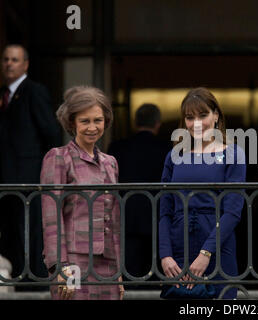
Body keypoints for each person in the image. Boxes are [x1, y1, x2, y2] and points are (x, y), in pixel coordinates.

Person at [159, 87, 246, 299]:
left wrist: (206, 253)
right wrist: (165, 255)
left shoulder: (233, 154)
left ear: (216, 116)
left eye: (203, 115)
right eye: (189, 117)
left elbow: (233, 212)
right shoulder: (174, 155)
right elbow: (164, 212)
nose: (196, 123)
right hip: (179, 245)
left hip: (217, 244)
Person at [40, 86, 124, 300]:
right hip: (73, 261)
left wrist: (119, 272)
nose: (92, 127)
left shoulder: (110, 162)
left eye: (98, 120)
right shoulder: (59, 157)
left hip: (108, 263)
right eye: (85, 121)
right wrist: (60, 266)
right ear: (72, 123)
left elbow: (114, 219)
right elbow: (51, 218)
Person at [0, 44, 60, 288]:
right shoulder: (3, 95)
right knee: (11, 234)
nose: (9, 64)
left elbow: (51, 133)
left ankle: (33, 285)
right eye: (5, 59)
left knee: (30, 233)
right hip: (7, 180)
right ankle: (16, 280)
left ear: (25, 64)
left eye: (14, 60)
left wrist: (45, 172)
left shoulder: (35, 91)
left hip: (29, 179)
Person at [108, 103, 170, 288]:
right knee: (158, 279)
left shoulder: (118, 147)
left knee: (130, 278)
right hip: (158, 220)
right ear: (158, 124)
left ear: (135, 123)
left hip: (126, 220)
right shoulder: (167, 149)